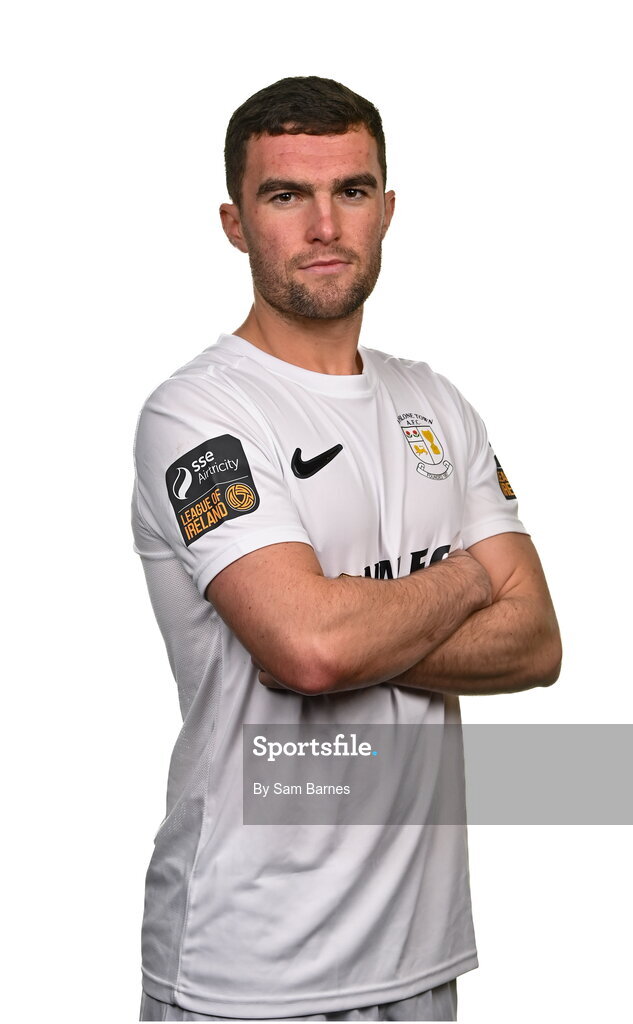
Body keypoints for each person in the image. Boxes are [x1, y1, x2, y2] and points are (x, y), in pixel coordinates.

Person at [131, 76, 561, 1023]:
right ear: (236, 223)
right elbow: (309, 650)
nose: (324, 226)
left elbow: (535, 642)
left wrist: (344, 622)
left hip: (419, 956)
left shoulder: (436, 403)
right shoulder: (197, 414)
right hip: (249, 967)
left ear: (387, 209)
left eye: (351, 191)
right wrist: (466, 578)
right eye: (286, 195)